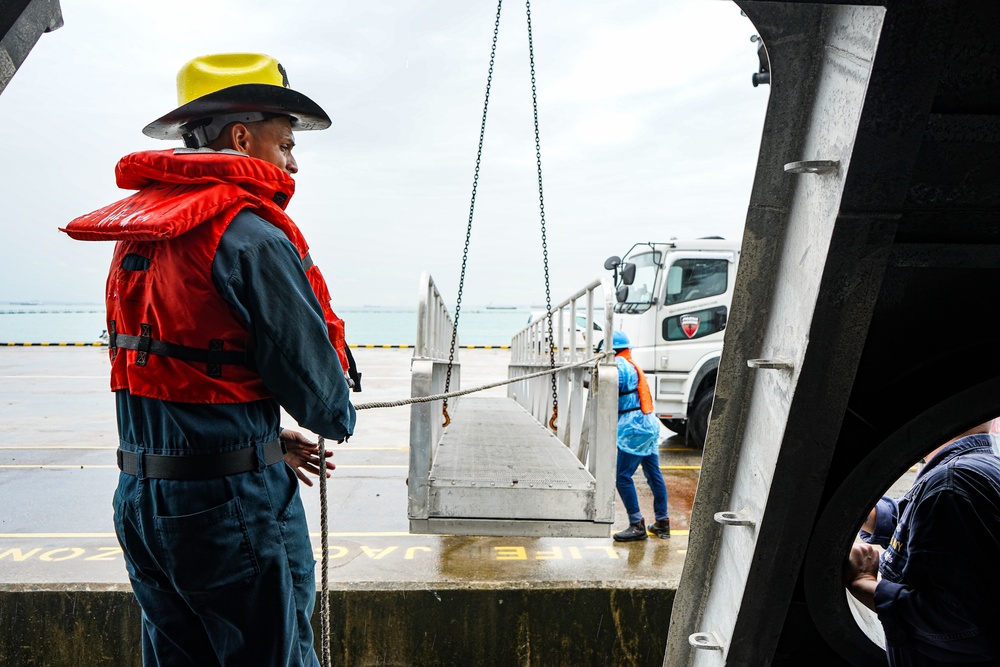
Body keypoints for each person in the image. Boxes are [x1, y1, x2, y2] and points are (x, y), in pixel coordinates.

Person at [60, 53, 358, 666]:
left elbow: (178, 375)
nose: (293, 161)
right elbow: (326, 406)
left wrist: (267, 438)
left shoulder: (139, 235)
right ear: (242, 137)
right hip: (232, 510)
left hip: (142, 504)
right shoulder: (250, 235)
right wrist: (310, 422)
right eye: (285, 141)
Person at [843, 420, 1000, 665]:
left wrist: (865, 583)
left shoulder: (951, 485)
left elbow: (962, 625)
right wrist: (866, 515)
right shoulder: (977, 470)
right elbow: (927, 526)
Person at [606, 330, 671, 542]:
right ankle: (663, 522)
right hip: (649, 424)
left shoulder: (619, 365)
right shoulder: (630, 363)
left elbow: (609, 387)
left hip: (634, 429)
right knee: (653, 475)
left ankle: (636, 525)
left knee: (622, 477)